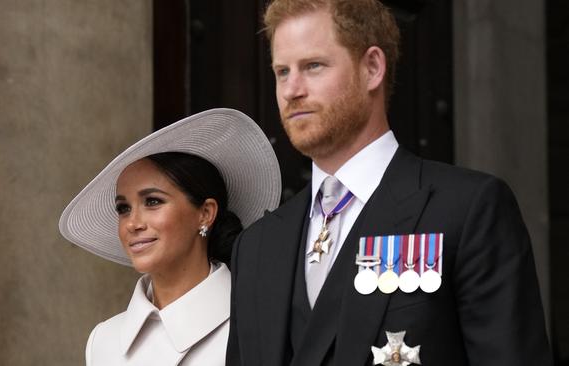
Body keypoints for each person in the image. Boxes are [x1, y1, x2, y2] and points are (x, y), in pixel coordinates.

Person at [226, 1, 553, 365]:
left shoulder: (468, 211)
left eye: (313, 66)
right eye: (282, 72)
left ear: (372, 68)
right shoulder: (255, 248)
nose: (291, 90)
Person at [59, 108, 281, 365]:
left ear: (206, 213)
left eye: (153, 201)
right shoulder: (104, 342)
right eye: (123, 208)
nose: (133, 223)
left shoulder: (262, 327)